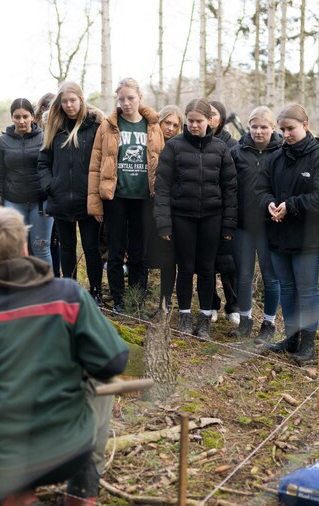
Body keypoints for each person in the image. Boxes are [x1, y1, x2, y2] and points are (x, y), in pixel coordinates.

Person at [0, 206, 129, 506]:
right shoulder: (69, 296)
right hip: (69, 451)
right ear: (25, 246)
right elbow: (114, 361)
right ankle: (83, 489)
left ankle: (10, 496)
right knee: (100, 377)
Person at [256, 104, 319, 364]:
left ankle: (308, 343)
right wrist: (269, 203)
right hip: (278, 233)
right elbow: (260, 189)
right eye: (282, 130)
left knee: (306, 289)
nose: (285, 134)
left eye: (290, 128)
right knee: (287, 287)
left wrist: (290, 206)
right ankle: (291, 337)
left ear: (305, 125)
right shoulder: (275, 158)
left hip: (307, 237)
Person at [154, 98, 237, 339]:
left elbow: (230, 189)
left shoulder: (221, 149)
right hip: (182, 217)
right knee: (185, 268)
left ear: (209, 121)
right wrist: (163, 222)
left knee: (207, 269)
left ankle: (204, 319)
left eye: (199, 121)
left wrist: (228, 224)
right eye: (190, 121)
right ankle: (184, 315)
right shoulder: (174, 147)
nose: (194, 125)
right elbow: (162, 187)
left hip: (212, 217)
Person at [88, 78, 165, 314]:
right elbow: (95, 165)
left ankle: (136, 300)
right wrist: (96, 204)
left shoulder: (153, 126)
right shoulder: (108, 126)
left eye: (131, 98)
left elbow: (162, 164)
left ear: (140, 97)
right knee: (115, 251)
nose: (126, 103)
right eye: (121, 99)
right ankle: (119, 300)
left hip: (144, 199)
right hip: (116, 198)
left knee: (139, 254)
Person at [38, 82, 105, 301]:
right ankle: (70, 291)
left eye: (73, 100)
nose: (69, 105)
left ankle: (95, 292)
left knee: (91, 248)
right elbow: (43, 162)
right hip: (61, 200)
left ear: (81, 100)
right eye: (64, 101)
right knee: (67, 248)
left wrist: (97, 194)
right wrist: (51, 186)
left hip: (88, 200)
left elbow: (103, 162)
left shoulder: (95, 126)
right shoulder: (55, 127)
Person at [229, 106, 283, 342]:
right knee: (243, 275)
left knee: (271, 276)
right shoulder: (237, 152)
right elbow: (229, 187)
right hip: (243, 225)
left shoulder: (282, 152)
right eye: (254, 127)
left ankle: (269, 323)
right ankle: (245, 320)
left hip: (270, 225)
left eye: (263, 127)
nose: (258, 131)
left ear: (273, 127)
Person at [0, 99, 52, 266]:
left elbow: (53, 169)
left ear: (32, 116)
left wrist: (53, 196)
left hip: (41, 203)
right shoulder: (3, 142)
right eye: (17, 117)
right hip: (13, 203)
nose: (22, 121)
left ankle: (45, 282)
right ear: (12, 118)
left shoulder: (44, 138)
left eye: (25, 116)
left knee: (41, 247)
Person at [144, 106, 183, 313]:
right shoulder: (148, 141)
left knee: (168, 257)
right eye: (167, 123)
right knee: (143, 253)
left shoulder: (180, 147)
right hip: (146, 204)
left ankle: (165, 302)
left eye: (175, 125)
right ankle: (140, 299)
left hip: (170, 208)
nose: (170, 128)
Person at [208, 100, 239, 324]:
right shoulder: (196, 142)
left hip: (227, 209)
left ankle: (233, 305)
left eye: (213, 114)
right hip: (205, 210)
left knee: (229, 261)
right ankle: (211, 303)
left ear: (221, 117)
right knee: (207, 261)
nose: (209, 117)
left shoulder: (232, 145)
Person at [34, 92, 63, 278]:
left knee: (55, 240)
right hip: (38, 195)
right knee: (41, 241)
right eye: (46, 107)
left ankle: (56, 277)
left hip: (56, 193)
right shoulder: (35, 133)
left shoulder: (59, 131)